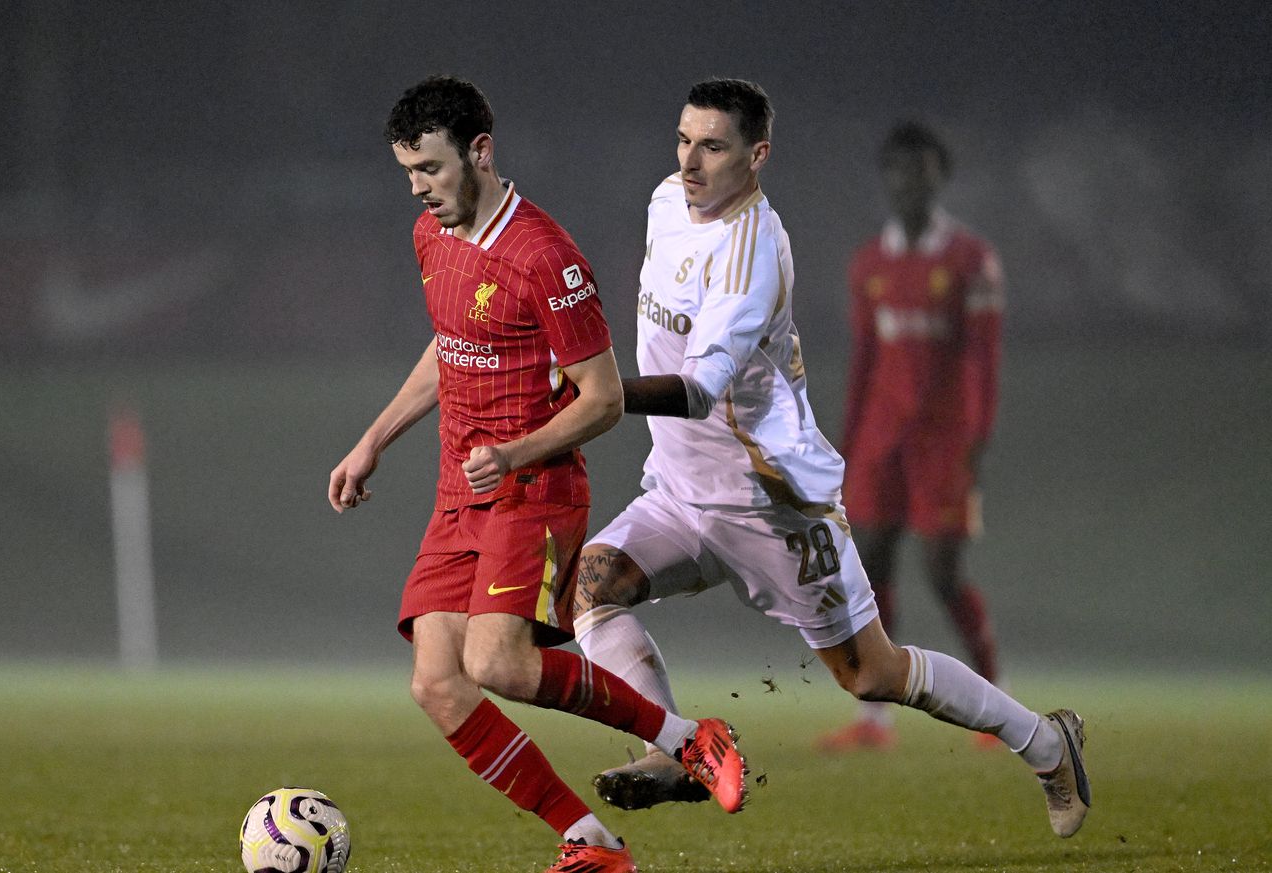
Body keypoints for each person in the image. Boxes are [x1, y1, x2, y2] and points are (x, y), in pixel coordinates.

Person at [570, 79, 1091, 839]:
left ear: (757, 155)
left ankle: (1045, 742)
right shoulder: (665, 201)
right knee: (591, 585)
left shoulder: (752, 251)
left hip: (769, 503)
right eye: (683, 140)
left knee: (871, 672)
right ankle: (674, 749)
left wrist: (594, 392)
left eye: (712, 146)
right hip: (680, 492)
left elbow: (699, 388)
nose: (689, 161)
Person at [328, 75, 745, 873]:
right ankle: (592, 841)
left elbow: (604, 397)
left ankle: (689, 737)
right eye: (408, 172)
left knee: (498, 663)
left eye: (431, 169)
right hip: (461, 493)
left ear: (481, 152)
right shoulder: (431, 236)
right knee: (438, 684)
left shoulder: (547, 258)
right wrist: (373, 438)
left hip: (536, 489)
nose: (418, 189)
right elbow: (451, 345)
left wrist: (514, 453)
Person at [817, 121, 1008, 753]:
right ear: (887, 178)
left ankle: (996, 697)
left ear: (940, 176)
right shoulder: (869, 263)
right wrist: (847, 444)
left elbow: (982, 359)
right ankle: (875, 719)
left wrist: (977, 438)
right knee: (870, 568)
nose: (909, 181)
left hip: (943, 441)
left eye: (922, 169)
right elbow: (864, 362)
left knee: (942, 572)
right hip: (881, 439)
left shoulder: (970, 260)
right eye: (899, 169)